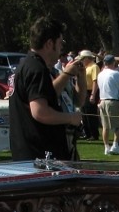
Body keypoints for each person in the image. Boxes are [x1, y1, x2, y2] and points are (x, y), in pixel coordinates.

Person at [8, 18, 85, 162]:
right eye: (60, 42)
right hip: (39, 156)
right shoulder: (36, 69)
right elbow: (40, 112)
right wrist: (71, 118)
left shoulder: (27, 65)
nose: (62, 48)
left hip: (28, 153)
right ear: (49, 44)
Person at [96, 54, 119, 155]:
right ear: (113, 62)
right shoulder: (115, 73)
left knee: (105, 126)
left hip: (102, 101)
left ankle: (106, 147)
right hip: (113, 101)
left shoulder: (100, 74)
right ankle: (115, 145)